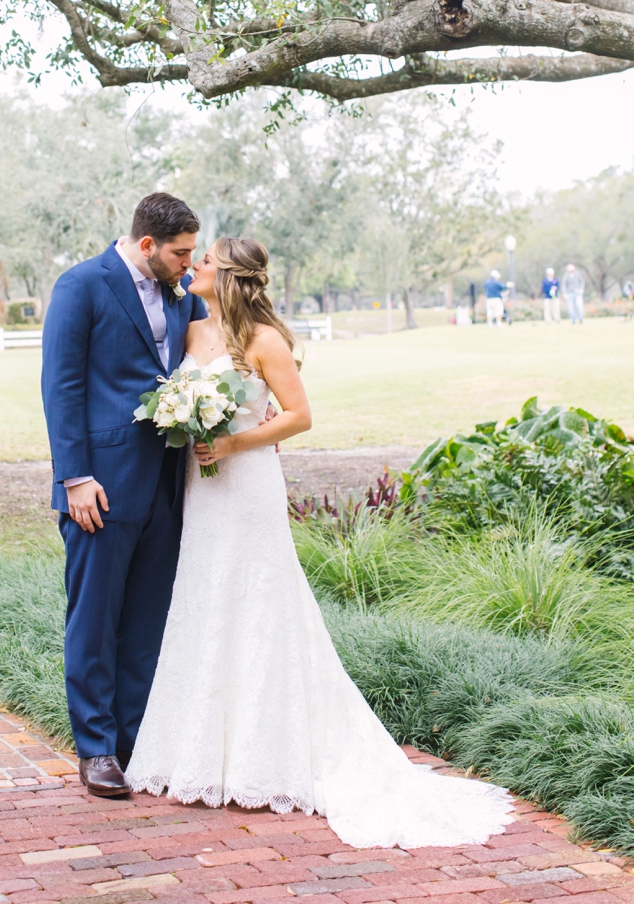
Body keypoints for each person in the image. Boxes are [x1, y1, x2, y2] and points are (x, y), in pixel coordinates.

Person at [126, 237, 512, 848]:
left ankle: (262, 755)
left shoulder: (264, 341)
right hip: (202, 491)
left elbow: (299, 415)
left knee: (259, 602)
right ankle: (201, 750)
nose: (194, 266)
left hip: (245, 483)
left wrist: (230, 443)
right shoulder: (195, 333)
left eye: (205, 261)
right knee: (205, 596)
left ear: (227, 275)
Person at [41, 192, 207, 798]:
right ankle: (97, 750)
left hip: (169, 483)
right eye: (181, 253)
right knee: (94, 618)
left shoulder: (182, 294)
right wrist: (74, 477)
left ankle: (137, 740)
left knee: (146, 620)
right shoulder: (81, 286)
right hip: (101, 487)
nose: (188, 265)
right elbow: (60, 387)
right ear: (147, 246)